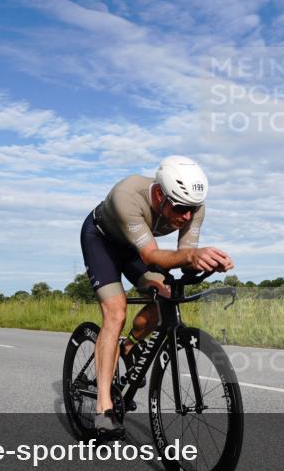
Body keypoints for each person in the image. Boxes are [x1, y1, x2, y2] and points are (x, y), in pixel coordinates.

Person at [80, 156, 233, 438]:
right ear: (160, 194)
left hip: (135, 247)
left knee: (164, 294)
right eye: (180, 208)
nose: (187, 216)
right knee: (116, 311)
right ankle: (103, 407)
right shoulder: (127, 195)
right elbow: (151, 254)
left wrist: (206, 261)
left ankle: (128, 347)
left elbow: (186, 254)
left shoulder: (193, 207)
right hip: (102, 240)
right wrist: (190, 255)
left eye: (193, 209)